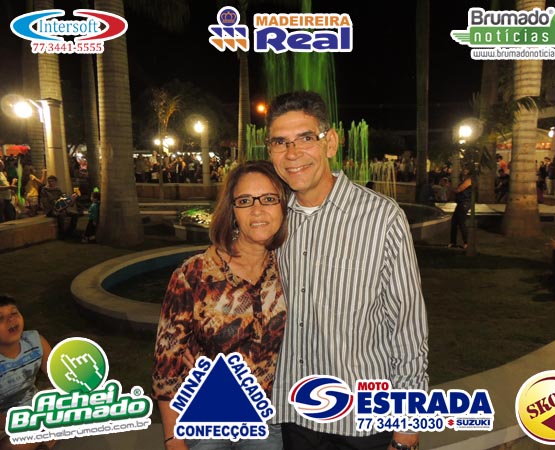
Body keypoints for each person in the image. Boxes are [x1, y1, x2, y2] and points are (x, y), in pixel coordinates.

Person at [266, 91, 428, 450]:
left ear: (330, 142)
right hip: (294, 418)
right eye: (280, 142)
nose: (292, 153)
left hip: (362, 423)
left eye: (305, 138)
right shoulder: (273, 220)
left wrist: (408, 427)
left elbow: (407, 327)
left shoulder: (382, 217)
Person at [152, 161, 288, 450]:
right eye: (245, 201)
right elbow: (167, 365)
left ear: (283, 206)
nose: (257, 210)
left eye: (268, 198)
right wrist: (173, 439)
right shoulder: (195, 273)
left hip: (268, 420)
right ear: (232, 211)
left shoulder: (290, 270)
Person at [0, 294, 55, 450]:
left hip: (33, 409)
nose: (11, 319)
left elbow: (60, 378)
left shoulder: (35, 341)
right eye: (0, 318)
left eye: (14, 313)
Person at [448, 167, 472, 249]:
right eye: (463, 169)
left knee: (462, 223)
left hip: (465, 203)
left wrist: (449, 187)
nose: (464, 170)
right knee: (454, 222)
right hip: (460, 203)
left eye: (466, 169)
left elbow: (459, 190)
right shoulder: (463, 180)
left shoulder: (469, 180)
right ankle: (452, 242)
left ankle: (466, 242)